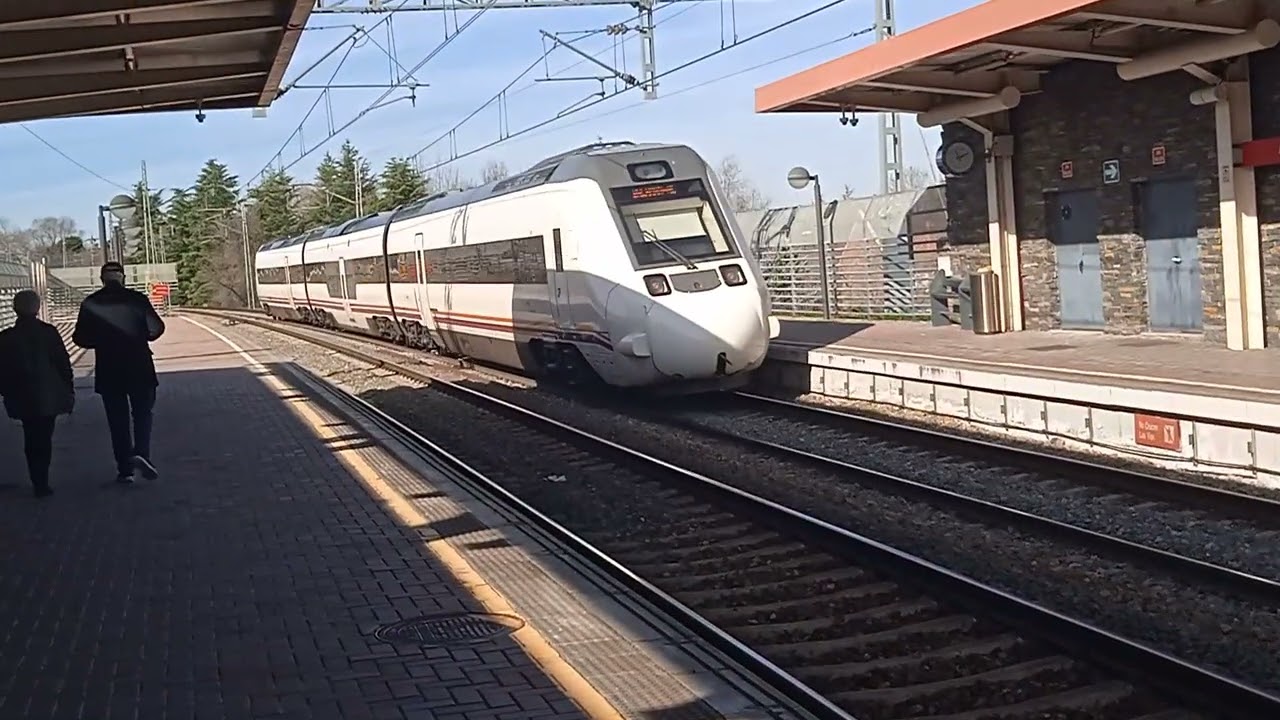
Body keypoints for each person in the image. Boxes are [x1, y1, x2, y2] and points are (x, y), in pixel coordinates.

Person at [72, 261, 165, 484]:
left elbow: (80, 338)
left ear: (101, 279)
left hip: (109, 368)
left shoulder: (91, 303)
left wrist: (101, 341)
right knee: (142, 413)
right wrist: (140, 336)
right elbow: (156, 328)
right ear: (123, 277)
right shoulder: (137, 299)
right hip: (140, 366)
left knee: (117, 420)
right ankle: (142, 454)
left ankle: (125, 470)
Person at [0, 290, 75, 497]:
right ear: (37, 307)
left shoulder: (6, 337)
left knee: (30, 435)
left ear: (15, 309)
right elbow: (62, 362)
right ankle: (42, 480)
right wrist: (68, 388)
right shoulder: (49, 332)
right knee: (44, 436)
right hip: (48, 393)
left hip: (21, 394)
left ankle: (37, 477)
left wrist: (5, 391)